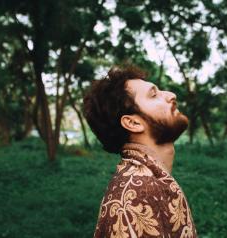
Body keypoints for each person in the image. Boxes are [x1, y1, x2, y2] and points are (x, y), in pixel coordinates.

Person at [83, 65, 197, 238]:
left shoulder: (147, 181)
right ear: (133, 123)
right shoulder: (139, 192)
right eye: (154, 95)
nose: (171, 95)